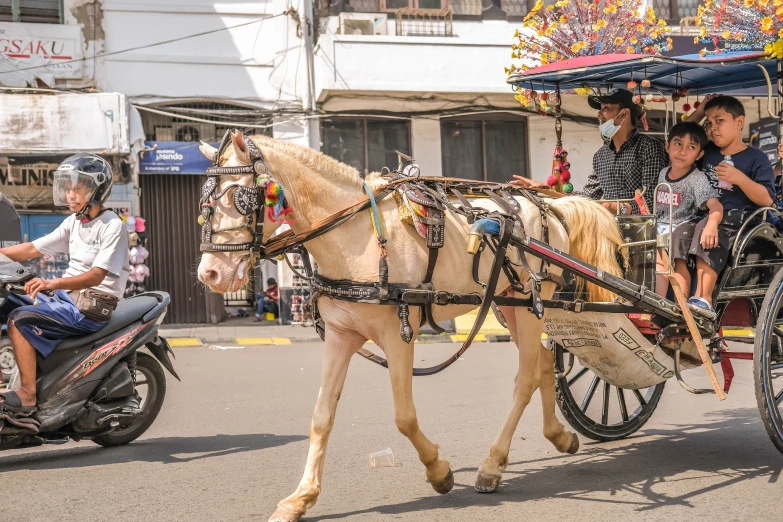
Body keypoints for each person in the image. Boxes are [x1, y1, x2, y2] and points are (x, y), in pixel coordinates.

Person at [0, 154, 129, 412]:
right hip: (66, 298)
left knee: (19, 319)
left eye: (77, 189)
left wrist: (53, 283)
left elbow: (97, 275)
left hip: (91, 305)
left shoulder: (112, 225)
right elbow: (32, 249)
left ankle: (27, 394)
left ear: (96, 189)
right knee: (4, 302)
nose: (70, 195)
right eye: (68, 189)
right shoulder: (73, 222)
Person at [676, 95, 776, 311]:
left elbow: (767, 198)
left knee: (709, 228)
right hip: (703, 216)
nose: (712, 128)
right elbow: (684, 134)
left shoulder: (756, 158)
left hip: (737, 222)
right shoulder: (706, 152)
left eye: (719, 121)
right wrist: (702, 109)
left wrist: (739, 178)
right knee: (680, 230)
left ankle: (703, 298)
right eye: (709, 123)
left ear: (739, 122)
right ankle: (677, 300)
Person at [512, 88, 668, 215]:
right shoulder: (601, 155)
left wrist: (618, 208)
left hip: (642, 235)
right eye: (600, 109)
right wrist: (546, 190)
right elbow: (588, 197)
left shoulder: (649, 148)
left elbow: (653, 200)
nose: (600, 114)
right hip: (607, 229)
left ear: (624, 114)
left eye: (606, 109)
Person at [654, 122, 723, 297]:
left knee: (678, 262)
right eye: (678, 144)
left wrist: (712, 223)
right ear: (667, 145)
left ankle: (678, 310)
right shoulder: (663, 172)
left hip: (682, 226)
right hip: (659, 226)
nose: (682, 151)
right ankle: (651, 306)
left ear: (699, 154)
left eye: (691, 147)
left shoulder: (697, 179)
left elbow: (715, 204)